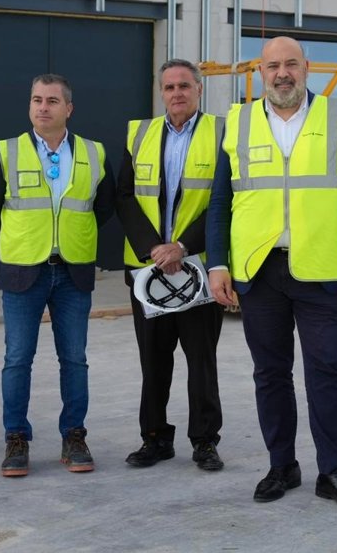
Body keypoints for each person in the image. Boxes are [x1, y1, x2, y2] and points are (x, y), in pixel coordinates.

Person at [207, 36, 337, 513]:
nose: (282, 73)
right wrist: (218, 263)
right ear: (260, 72)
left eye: (291, 64)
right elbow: (221, 201)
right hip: (259, 270)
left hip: (321, 268)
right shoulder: (238, 121)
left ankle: (334, 471)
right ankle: (282, 465)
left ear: (306, 68)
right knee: (270, 373)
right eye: (272, 66)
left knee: (328, 371)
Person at [0, 74, 115, 477]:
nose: (43, 107)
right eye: (37, 100)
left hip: (73, 271)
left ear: (69, 108)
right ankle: (16, 438)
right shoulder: (7, 151)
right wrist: (22, 237)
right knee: (17, 359)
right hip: (22, 271)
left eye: (52, 100)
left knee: (75, 360)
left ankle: (74, 436)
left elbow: (103, 207)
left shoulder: (94, 152)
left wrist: (71, 235)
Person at [116, 59, 225, 472]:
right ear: (161, 92)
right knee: (153, 361)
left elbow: (227, 200)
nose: (176, 93)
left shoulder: (222, 133)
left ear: (199, 89)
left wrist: (182, 246)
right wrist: (154, 249)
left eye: (184, 85)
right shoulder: (139, 133)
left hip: (199, 269)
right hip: (149, 270)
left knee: (202, 361)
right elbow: (125, 196)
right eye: (169, 87)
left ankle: (205, 441)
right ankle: (155, 438)